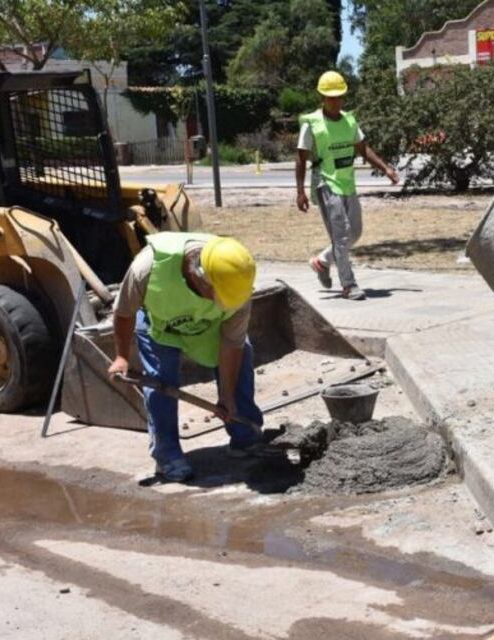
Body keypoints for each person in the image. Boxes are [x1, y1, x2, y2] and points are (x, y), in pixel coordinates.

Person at [107, 232, 263, 482]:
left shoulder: (236, 282)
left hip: (208, 327)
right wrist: (121, 357)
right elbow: (124, 311)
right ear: (198, 276)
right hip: (159, 325)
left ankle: (245, 436)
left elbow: (232, 344)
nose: (222, 302)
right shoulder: (147, 267)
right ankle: (167, 456)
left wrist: (227, 396)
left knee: (243, 354)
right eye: (218, 296)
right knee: (160, 379)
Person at [296, 70, 400, 300]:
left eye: (339, 96)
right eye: (331, 97)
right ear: (322, 97)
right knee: (341, 235)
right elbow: (301, 158)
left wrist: (386, 169)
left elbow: (363, 149)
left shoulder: (349, 120)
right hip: (325, 183)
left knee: (355, 232)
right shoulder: (311, 124)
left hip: (347, 183)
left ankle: (322, 262)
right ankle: (348, 285)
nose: (336, 101)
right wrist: (300, 191)